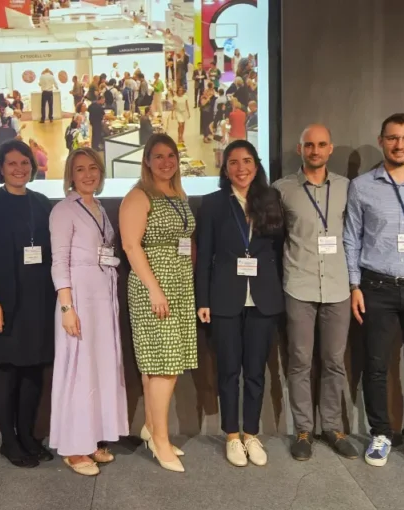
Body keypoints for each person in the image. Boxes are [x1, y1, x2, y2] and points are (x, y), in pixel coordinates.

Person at [343, 113, 404, 471]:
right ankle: (381, 433)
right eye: (392, 138)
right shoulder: (361, 186)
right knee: (374, 366)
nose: (399, 144)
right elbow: (351, 238)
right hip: (376, 287)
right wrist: (354, 285)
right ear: (382, 140)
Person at [196, 140, 284, 467]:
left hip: (263, 298)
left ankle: (251, 433)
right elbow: (204, 255)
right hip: (224, 298)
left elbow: (278, 251)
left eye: (247, 161)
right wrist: (202, 299)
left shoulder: (271, 200)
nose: (241, 168)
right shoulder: (213, 204)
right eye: (233, 162)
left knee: (256, 372)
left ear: (256, 165)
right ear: (225, 168)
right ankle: (232, 435)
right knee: (229, 370)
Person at [0, 140, 56, 469]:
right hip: (2, 301)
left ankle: (29, 436)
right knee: (6, 372)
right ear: (0, 168)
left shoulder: (43, 203)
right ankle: (9, 440)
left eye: (24, 162)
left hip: (38, 300)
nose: (19, 168)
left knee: (33, 370)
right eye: (11, 163)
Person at [274, 124, 357, 461]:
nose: (315, 150)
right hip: (299, 286)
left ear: (330, 148)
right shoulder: (282, 190)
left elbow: (355, 235)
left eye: (322, 144)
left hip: (338, 288)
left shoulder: (347, 188)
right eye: (309, 145)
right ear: (300, 148)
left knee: (335, 362)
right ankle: (304, 430)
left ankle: (334, 428)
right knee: (300, 362)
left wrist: (355, 284)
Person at [119, 133, 197, 473]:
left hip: (179, 283)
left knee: (163, 365)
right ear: (146, 160)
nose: (166, 162)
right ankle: (161, 442)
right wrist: (154, 288)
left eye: (171, 156)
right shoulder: (138, 196)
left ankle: (152, 428)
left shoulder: (178, 194)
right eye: (159, 156)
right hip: (154, 284)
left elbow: (184, 239)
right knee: (164, 365)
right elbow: (132, 247)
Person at [49, 148, 129, 476]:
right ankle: (73, 447)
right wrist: (67, 307)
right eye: (80, 169)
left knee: (98, 367)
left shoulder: (100, 207)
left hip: (103, 296)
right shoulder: (63, 210)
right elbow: (59, 262)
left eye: (93, 168)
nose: (87, 174)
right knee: (78, 369)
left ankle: (92, 437)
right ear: (70, 174)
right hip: (79, 297)